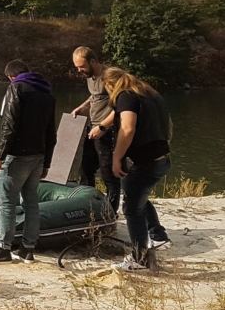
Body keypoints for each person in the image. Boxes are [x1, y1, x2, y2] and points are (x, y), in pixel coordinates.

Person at [0, 59, 57, 264]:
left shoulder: (16, 88)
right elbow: (51, 131)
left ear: (10, 76)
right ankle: (28, 248)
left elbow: (9, 124)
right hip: (38, 155)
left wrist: (0, 155)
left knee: (5, 200)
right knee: (31, 200)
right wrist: (47, 161)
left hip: (18, 155)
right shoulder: (46, 92)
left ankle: (3, 248)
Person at [102, 67, 173, 271]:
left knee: (132, 208)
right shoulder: (149, 94)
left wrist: (117, 157)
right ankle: (156, 238)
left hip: (146, 162)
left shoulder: (125, 96)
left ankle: (139, 258)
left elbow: (128, 128)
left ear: (110, 85)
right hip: (161, 158)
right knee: (138, 200)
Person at [70, 46, 120, 217]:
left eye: (81, 67)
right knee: (85, 169)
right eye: (77, 67)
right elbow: (95, 97)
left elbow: (123, 106)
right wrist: (81, 108)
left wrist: (103, 127)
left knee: (108, 174)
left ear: (93, 61)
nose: (79, 71)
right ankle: (89, 208)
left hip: (108, 132)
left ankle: (111, 213)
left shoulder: (110, 77)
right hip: (93, 129)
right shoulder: (90, 77)